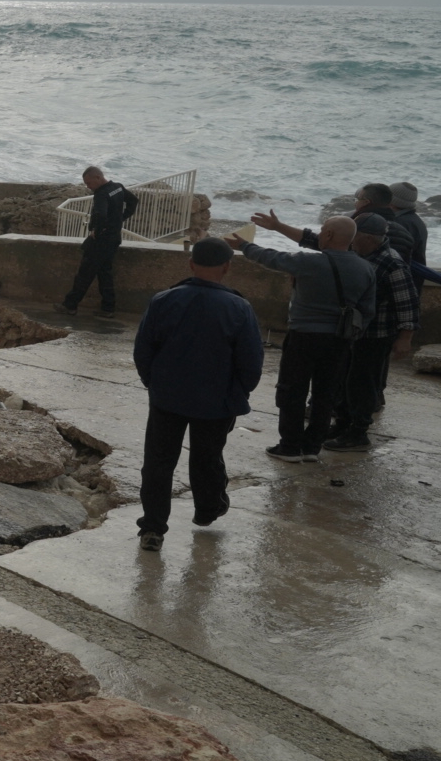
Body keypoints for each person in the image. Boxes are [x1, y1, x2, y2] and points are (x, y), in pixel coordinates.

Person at [131, 238, 263, 552]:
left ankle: (152, 528)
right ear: (227, 267)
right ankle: (207, 509)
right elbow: (251, 361)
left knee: (158, 463)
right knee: (207, 457)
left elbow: (143, 349)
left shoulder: (164, 300)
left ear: (191, 263)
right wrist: (239, 391)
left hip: (167, 398)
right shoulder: (239, 308)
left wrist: (154, 383)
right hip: (217, 401)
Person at [227, 216, 375, 461]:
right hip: (340, 339)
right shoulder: (365, 268)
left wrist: (244, 245)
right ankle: (312, 448)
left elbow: (271, 258)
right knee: (325, 394)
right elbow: (368, 311)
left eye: (321, 231)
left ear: (327, 235)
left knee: (292, 390)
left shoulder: (309, 262)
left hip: (304, 336)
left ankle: (290, 446)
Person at [322, 214, 418, 451]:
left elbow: (407, 302)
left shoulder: (391, 262)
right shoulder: (357, 255)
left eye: (356, 238)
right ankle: (342, 424)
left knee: (361, 384)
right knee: (343, 380)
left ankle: (358, 433)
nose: (352, 242)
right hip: (352, 332)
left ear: (367, 238)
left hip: (376, 335)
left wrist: (405, 338)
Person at [54, 166, 137, 319]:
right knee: (105, 273)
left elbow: (100, 214)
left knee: (85, 273)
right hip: (114, 238)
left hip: (101, 241)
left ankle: (70, 305)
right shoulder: (117, 187)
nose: (88, 187)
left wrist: (96, 231)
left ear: (98, 178)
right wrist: (120, 219)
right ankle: (108, 307)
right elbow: (133, 201)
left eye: (89, 183)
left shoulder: (102, 194)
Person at [389, 182, 428, 267]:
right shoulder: (416, 220)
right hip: (415, 276)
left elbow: (394, 258)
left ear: (392, 202)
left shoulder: (399, 223)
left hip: (405, 276)